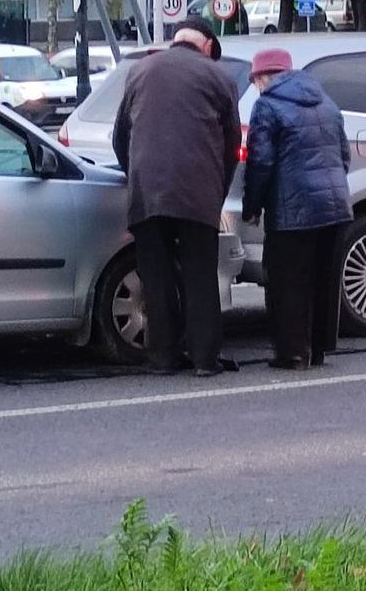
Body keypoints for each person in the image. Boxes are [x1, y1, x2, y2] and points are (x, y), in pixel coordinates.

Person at [112, 20, 241, 377]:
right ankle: (204, 360)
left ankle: (163, 358)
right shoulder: (219, 78)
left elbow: (120, 137)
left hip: (147, 194)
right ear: (208, 45)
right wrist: (218, 189)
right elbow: (232, 146)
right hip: (198, 193)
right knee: (200, 276)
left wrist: (136, 175)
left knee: (157, 277)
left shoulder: (139, 71)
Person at [241, 49, 352, 371]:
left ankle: (292, 353)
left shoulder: (268, 106)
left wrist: (252, 207)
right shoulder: (326, 102)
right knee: (322, 280)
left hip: (293, 210)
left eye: (255, 81)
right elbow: (343, 156)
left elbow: (261, 162)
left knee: (287, 282)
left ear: (263, 78)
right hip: (335, 208)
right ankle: (318, 349)